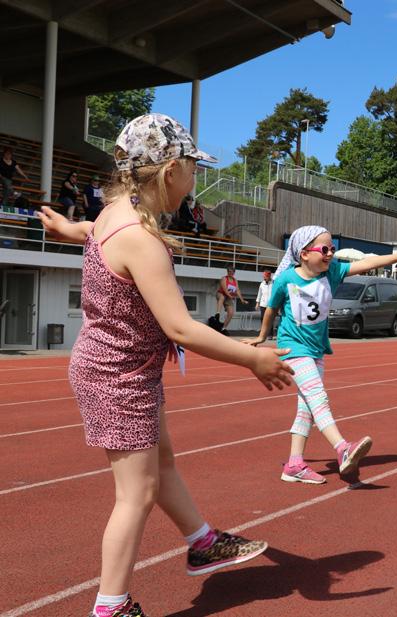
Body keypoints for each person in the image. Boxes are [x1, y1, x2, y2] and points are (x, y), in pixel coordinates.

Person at [36, 113, 294, 617]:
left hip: (121, 368)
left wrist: (70, 229)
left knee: (164, 463)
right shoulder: (142, 238)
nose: (195, 181)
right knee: (137, 494)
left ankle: (201, 542)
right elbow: (181, 328)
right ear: (171, 169)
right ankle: (110, 607)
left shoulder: (116, 212)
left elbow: (94, 229)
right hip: (118, 376)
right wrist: (252, 358)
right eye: (194, 171)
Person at [245, 227, 397, 484]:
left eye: (332, 249)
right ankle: (342, 448)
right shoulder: (286, 279)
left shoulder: (333, 272)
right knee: (318, 397)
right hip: (293, 348)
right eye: (324, 250)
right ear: (303, 254)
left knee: (307, 409)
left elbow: (367, 262)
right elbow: (271, 307)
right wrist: (262, 336)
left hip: (316, 350)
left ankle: (294, 465)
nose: (330, 254)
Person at [216, 266, 249, 333]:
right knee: (222, 297)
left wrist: (242, 300)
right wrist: (230, 296)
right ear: (227, 272)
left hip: (229, 297)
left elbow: (237, 290)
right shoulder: (224, 278)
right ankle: (218, 313)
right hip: (221, 294)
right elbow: (225, 290)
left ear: (234, 272)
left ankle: (223, 328)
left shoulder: (235, 280)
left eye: (231, 272)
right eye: (229, 271)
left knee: (231, 313)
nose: (230, 273)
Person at [255, 269, 275, 338]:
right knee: (262, 318)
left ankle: (270, 335)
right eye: (264, 276)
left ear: (269, 276)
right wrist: (257, 303)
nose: (264, 278)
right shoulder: (262, 284)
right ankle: (263, 334)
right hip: (263, 304)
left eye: (265, 276)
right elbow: (259, 294)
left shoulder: (274, 283)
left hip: (270, 305)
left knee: (270, 319)